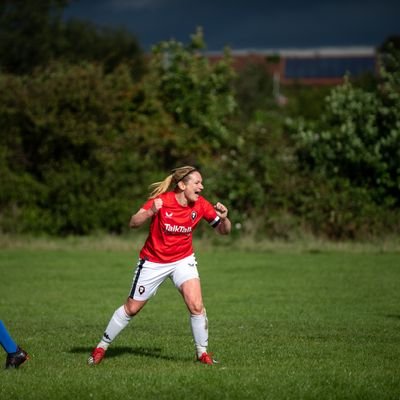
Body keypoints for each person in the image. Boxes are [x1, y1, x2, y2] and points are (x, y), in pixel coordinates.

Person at [88, 166, 231, 366]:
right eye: (197, 183)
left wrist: (224, 219)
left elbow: (224, 231)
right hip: (153, 261)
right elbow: (133, 222)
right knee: (132, 308)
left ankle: (202, 354)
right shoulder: (162, 201)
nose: (202, 186)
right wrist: (150, 212)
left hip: (183, 260)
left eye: (201, 182)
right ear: (182, 185)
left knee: (196, 306)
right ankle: (100, 347)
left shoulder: (201, 204)